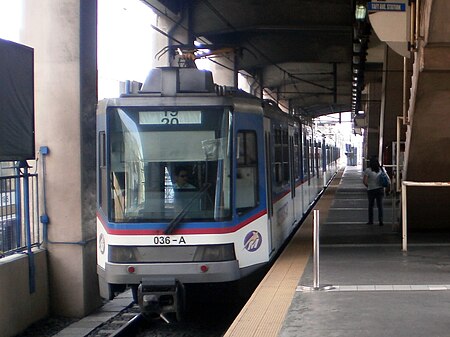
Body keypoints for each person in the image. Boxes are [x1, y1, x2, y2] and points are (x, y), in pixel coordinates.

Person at [363, 156, 390, 226]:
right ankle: (381, 221)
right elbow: (387, 178)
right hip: (380, 189)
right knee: (380, 206)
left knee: (371, 206)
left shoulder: (368, 170)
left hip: (371, 190)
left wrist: (368, 186)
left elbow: (365, 181)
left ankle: (370, 221)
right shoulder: (381, 169)